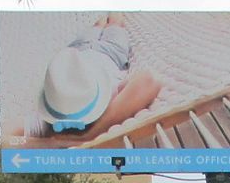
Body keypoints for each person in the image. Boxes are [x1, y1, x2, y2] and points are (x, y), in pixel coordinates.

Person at [14, 13, 160, 145]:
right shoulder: (108, 100)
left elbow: (6, 140)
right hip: (110, 52)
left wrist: (55, 142)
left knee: (97, 25)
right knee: (115, 23)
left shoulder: (46, 122)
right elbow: (149, 80)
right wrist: (92, 134)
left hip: (76, 52)